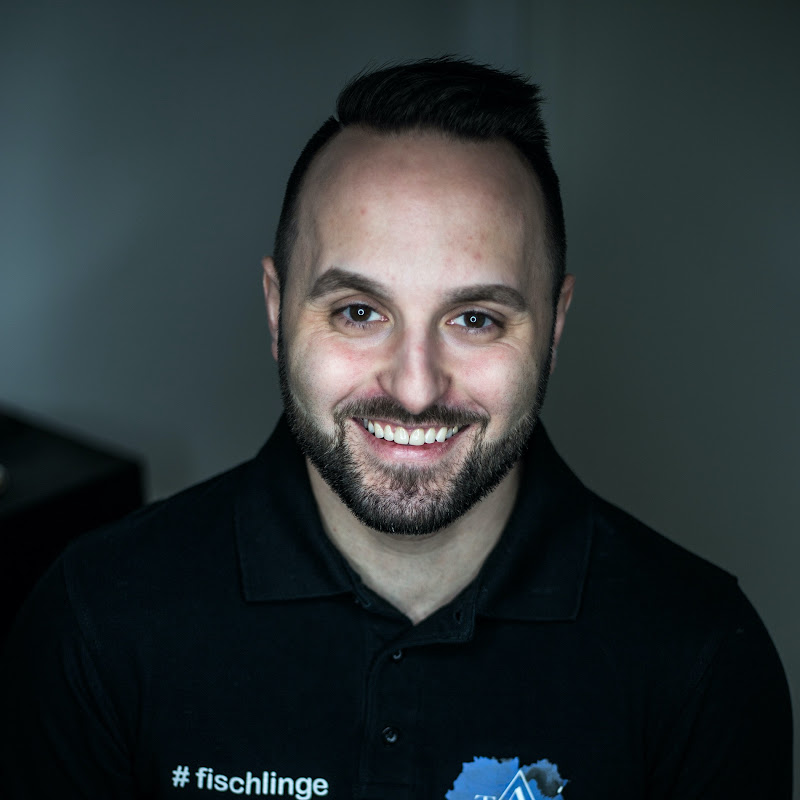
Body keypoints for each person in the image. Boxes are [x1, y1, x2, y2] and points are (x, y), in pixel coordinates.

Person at [0, 57, 792, 799]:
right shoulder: (94, 623)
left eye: (476, 318)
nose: (415, 389)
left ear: (554, 328)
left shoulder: (703, 657)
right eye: (358, 312)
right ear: (277, 311)